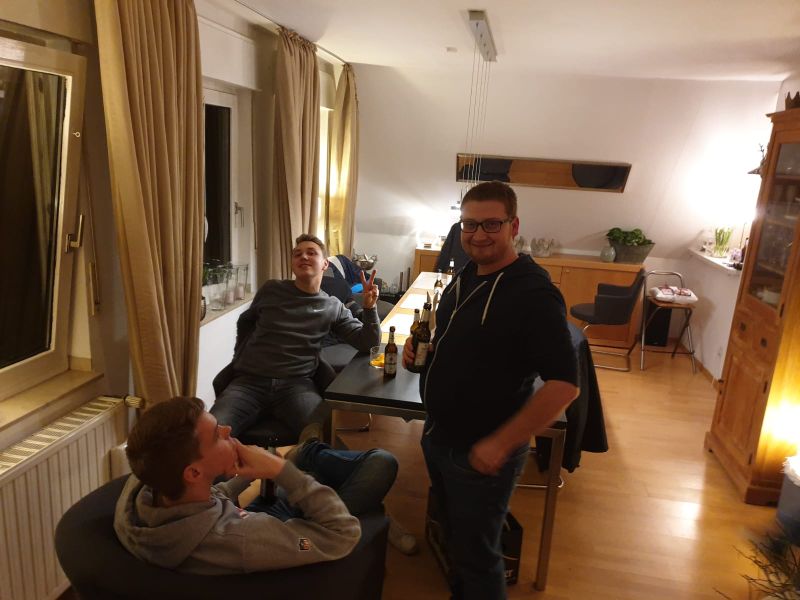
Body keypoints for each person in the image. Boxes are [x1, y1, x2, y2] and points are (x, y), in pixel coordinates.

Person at [403, 181, 579, 600]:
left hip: (482, 450)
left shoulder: (533, 293)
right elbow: (457, 340)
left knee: (479, 557)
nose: (478, 235)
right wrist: (418, 352)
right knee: (454, 536)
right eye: (469, 224)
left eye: (491, 224)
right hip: (439, 435)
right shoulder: (467, 273)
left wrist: (501, 444)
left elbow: (564, 385)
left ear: (513, 226)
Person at [115, 396, 398, 574]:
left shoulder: (140, 494)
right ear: (193, 472)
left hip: (254, 520)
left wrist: (250, 473)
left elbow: (208, 502)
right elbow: (341, 535)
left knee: (311, 473)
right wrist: (280, 471)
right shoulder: (247, 542)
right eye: (216, 435)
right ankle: (306, 457)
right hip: (281, 532)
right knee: (382, 463)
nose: (227, 430)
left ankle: (304, 458)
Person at [210, 233, 380, 439]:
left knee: (318, 436)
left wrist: (369, 308)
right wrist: (241, 357)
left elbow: (368, 343)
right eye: (297, 254)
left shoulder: (332, 306)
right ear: (292, 264)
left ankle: (290, 461)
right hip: (249, 383)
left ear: (325, 264)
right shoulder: (272, 290)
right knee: (210, 436)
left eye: (311, 253)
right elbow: (246, 322)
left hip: (296, 386)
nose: (304, 257)